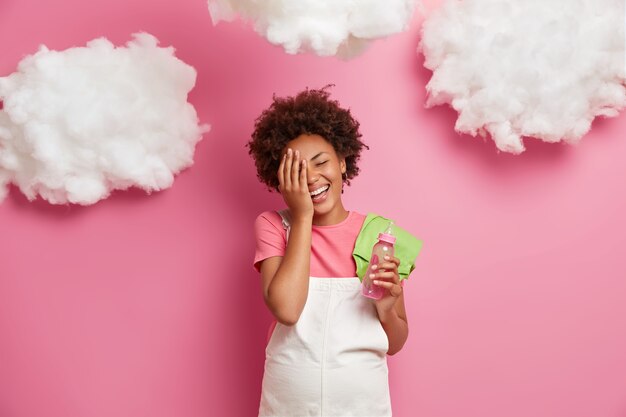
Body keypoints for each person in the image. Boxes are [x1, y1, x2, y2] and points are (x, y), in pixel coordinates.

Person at [249, 86, 411, 417]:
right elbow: (287, 310)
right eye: (295, 172)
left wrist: (385, 307)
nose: (311, 178)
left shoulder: (381, 234)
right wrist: (303, 215)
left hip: (363, 406)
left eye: (321, 162)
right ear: (280, 180)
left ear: (341, 161)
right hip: (288, 404)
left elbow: (395, 343)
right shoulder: (274, 225)